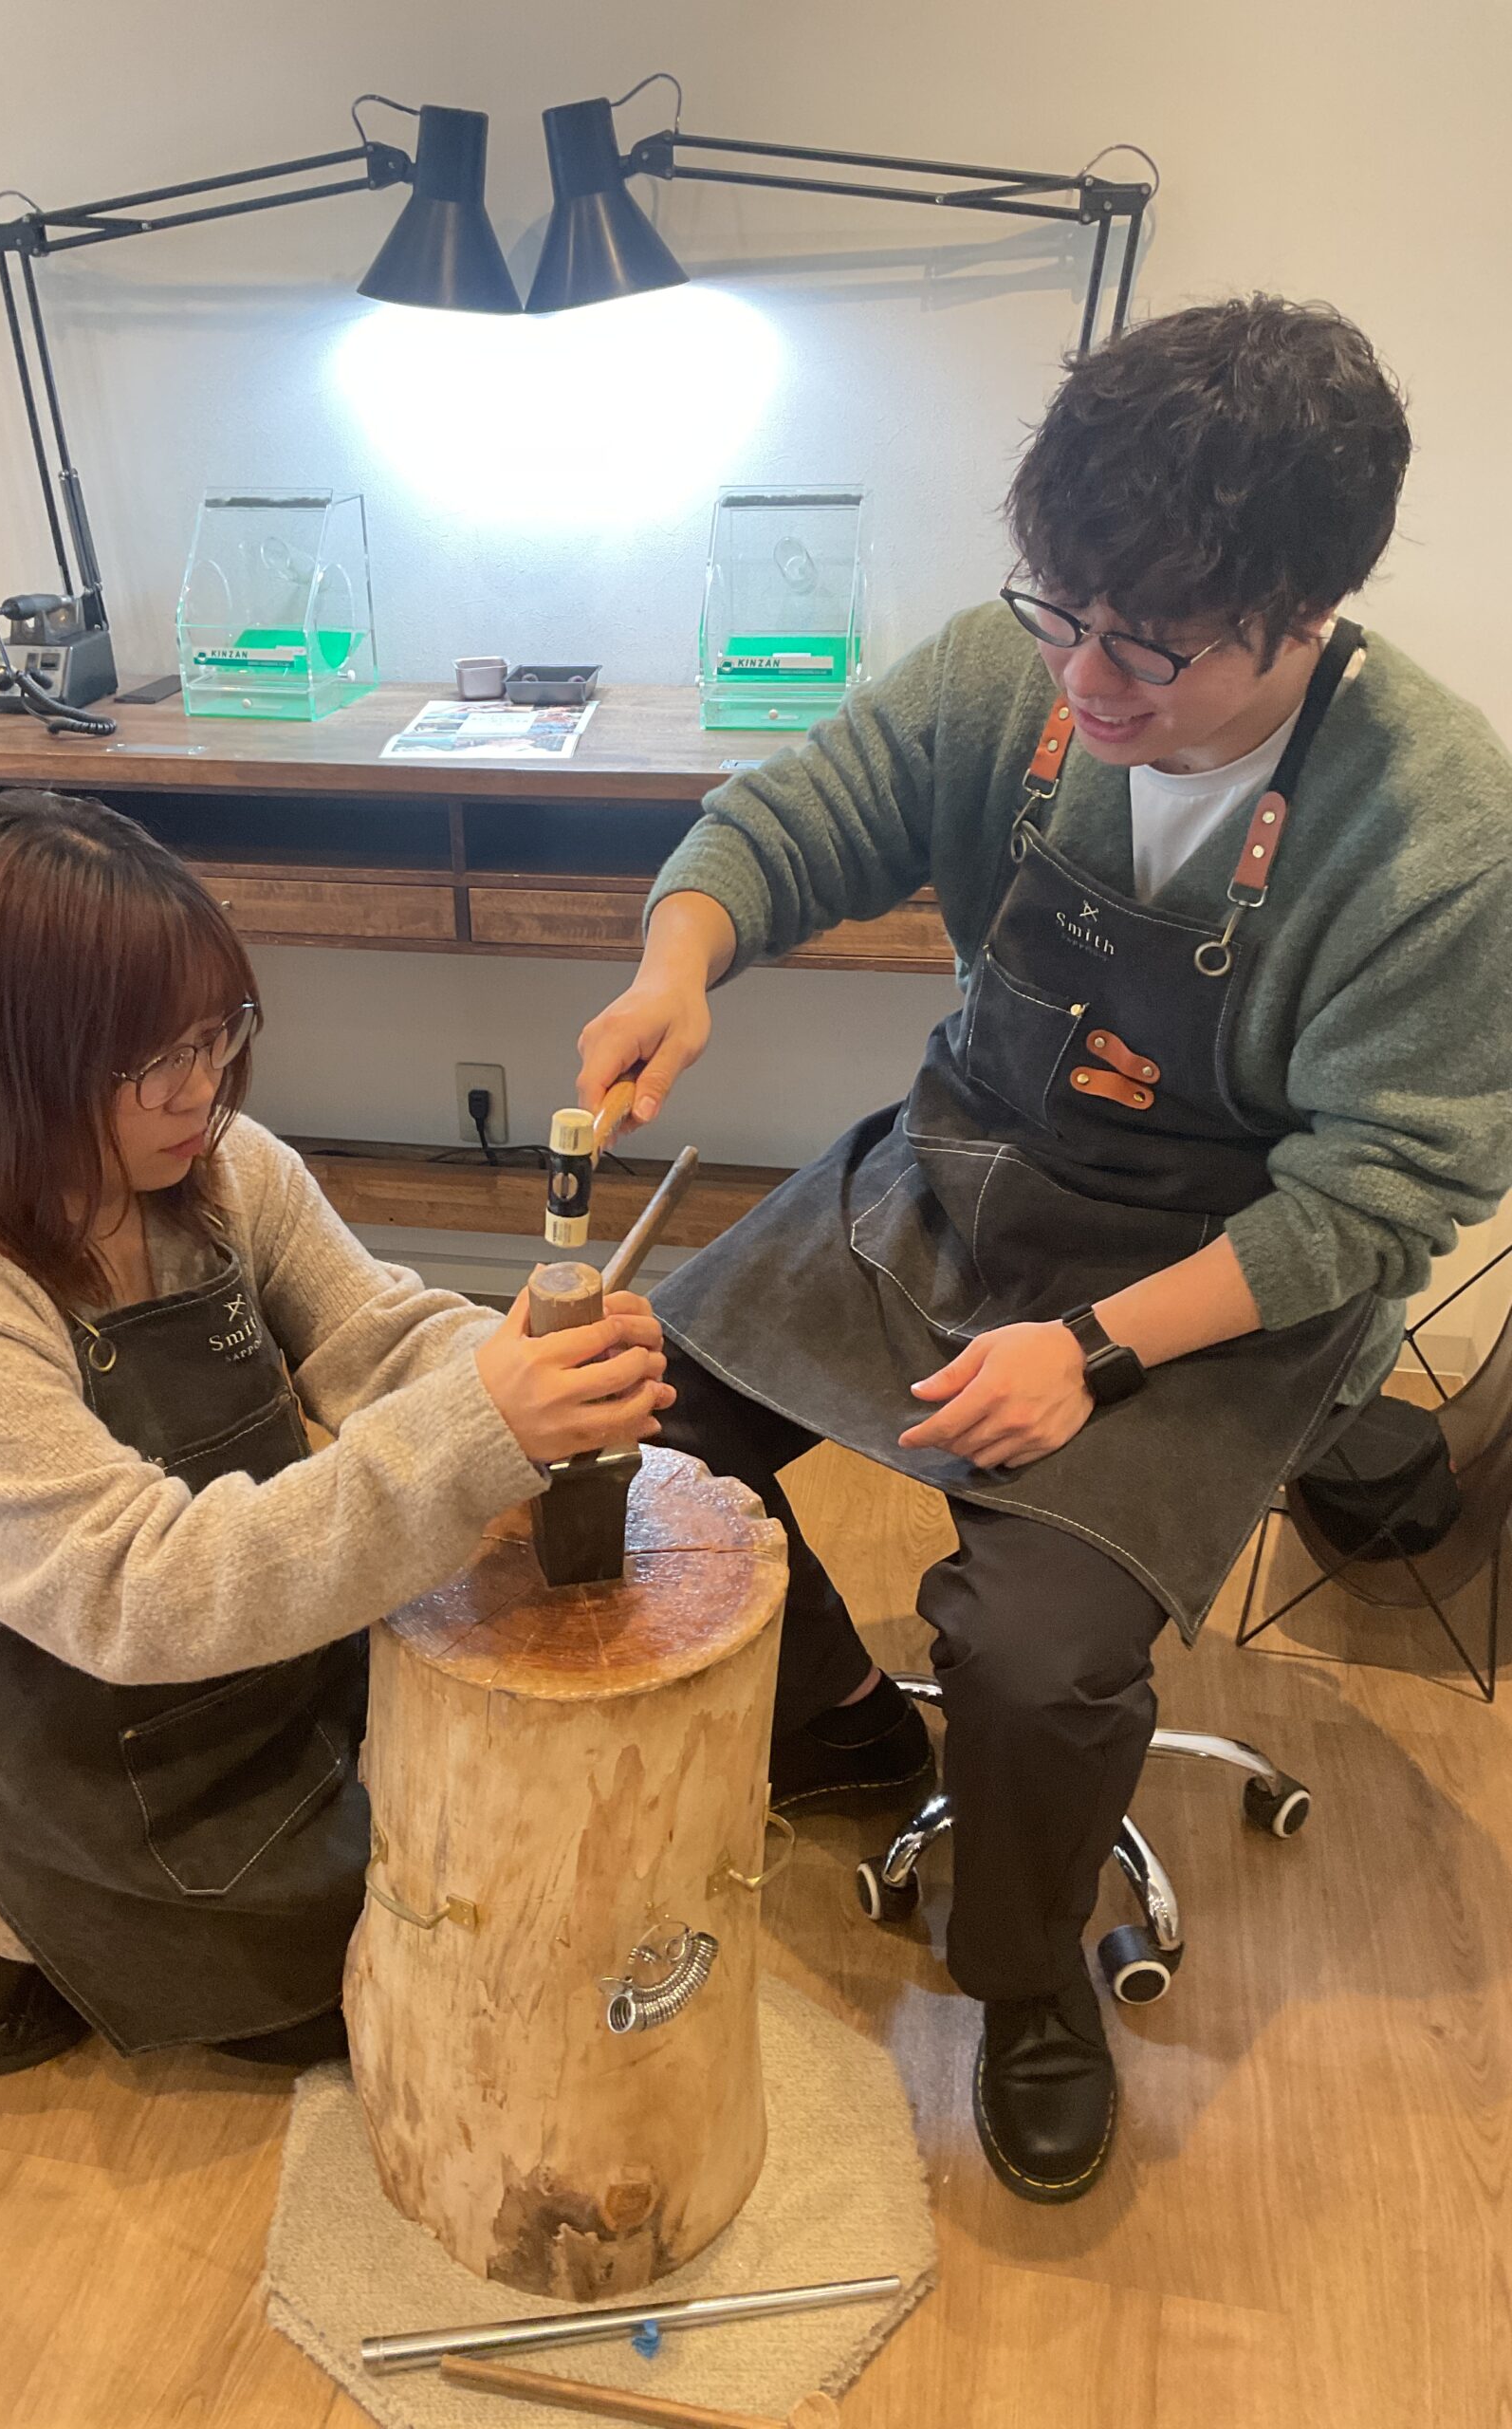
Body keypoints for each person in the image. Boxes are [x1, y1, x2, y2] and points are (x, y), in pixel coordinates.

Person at [573, 297, 1512, 2201]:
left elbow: (1377, 1195)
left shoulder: (1437, 829)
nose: (1084, 675)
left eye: (1149, 646)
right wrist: (678, 962)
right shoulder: (1025, 682)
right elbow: (797, 814)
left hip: (1224, 1274)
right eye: (1059, 611)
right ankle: (837, 1727)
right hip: (970, 1166)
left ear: (1309, 608)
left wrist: (1092, 1352)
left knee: (1034, 1654)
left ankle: (1024, 1977)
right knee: (623, 1422)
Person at [0, 790, 672, 2074]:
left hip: (283, 1656)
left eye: (216, 1034)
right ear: (3, 1062)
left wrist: (529, 1367)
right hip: (107, 1776)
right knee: (434, 1964)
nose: (201, 1086)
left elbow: (374, 1333)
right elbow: (145, 1593)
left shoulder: (218, 1167)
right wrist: (481, 1424)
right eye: (147, 1062)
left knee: (517, 1851)